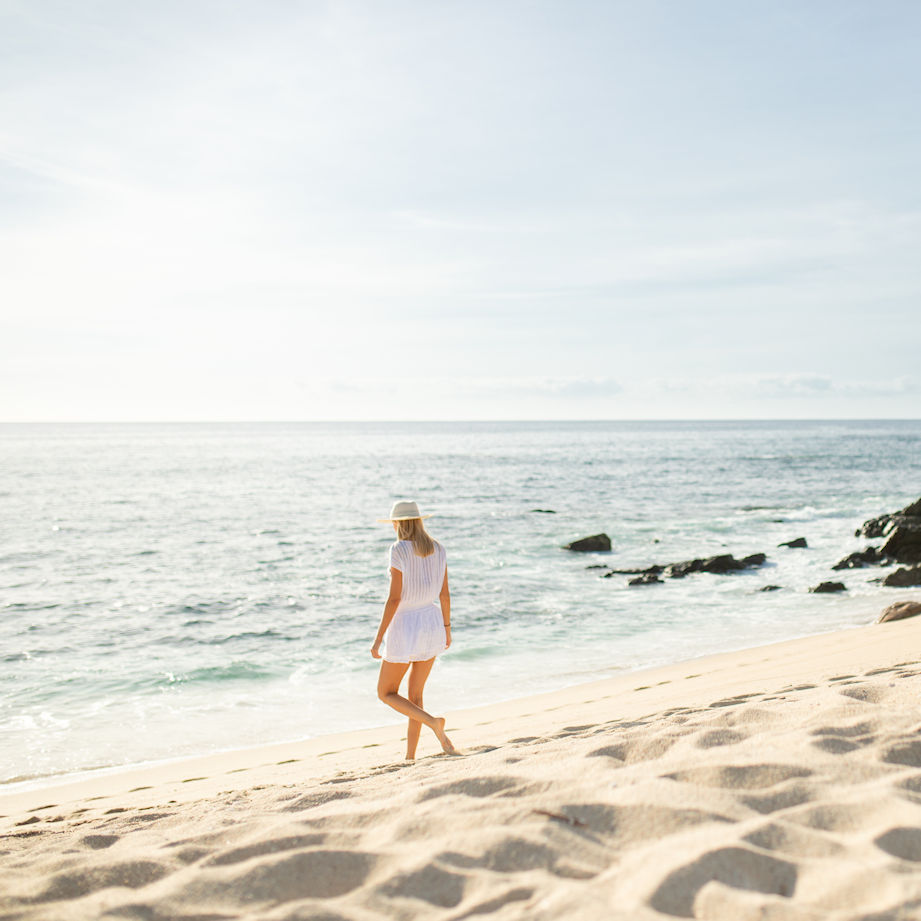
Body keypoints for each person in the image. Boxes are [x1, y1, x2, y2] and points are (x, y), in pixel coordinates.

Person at [371, 500, 457, 759]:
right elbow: (444, 595)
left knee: (386, 692)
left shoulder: (398, 549)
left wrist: (378, 639)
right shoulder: (439, 548)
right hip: (431, 623)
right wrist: (447, 629)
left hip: (405, 625)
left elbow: (395, 599)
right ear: (418, 521)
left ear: (398, 524)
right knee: (415, 696)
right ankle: (410, 757)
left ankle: (433, 723)